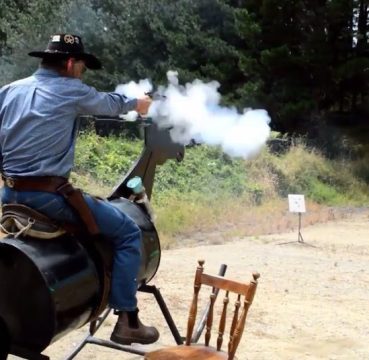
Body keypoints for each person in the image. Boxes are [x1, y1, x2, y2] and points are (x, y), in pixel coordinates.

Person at [0, 33, 159, 345]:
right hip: (47, 198)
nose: (82, 73)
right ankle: (127, 319)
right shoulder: (71, 89)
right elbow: (112, 104)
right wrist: (143, 105)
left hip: (9, 196)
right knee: (128, 233)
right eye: (82, 67)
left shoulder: (7, 91)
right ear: (70, 63)